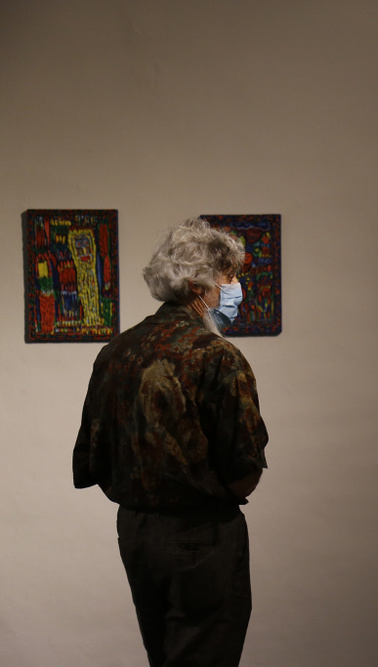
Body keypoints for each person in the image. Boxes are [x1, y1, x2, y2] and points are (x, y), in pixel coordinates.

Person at [73, 218, 269, 667]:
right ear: (198, 284)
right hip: (200, 537)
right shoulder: (216, 355)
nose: (235, 288)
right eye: (229, 277)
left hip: (135, 532)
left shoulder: (117, 350)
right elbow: (245, 468)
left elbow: (92, 454)